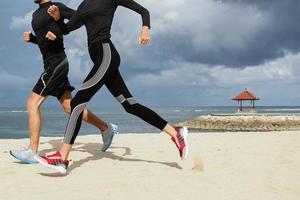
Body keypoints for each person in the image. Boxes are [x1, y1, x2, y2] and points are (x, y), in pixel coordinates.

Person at [34, 0, 188, 174]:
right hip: (100, 58)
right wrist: (57, 19)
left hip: (105, 53)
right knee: (130, 105)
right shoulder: (84, 5)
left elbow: (143, 11)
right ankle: (175, 132)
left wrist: (145, 30)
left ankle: (62, 156)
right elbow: (67, 30)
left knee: (77, 102)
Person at [9, 0, 118, 165]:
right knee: (70, 107)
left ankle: (32, 151)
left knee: (32, 104)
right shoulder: (35, 14)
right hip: (52, 63)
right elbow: (45, 40)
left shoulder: (56, 7)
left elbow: (78, 19)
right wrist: (33, 39)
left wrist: (58, 25)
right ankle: (106, 128)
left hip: (56, 63)